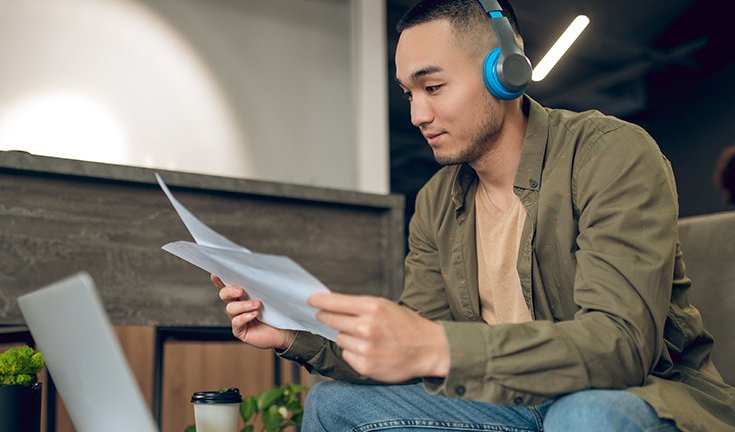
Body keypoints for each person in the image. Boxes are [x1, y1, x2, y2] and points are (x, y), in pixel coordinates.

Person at [213, 0, 735, 430]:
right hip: (510, 402)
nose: (418, 115)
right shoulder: (437, 200)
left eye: (433, 87)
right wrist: (289, 335)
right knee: (332, 405)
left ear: (505, 72)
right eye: (409, 94)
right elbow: (409, 348)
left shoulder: (611, 154)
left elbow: (619, 346)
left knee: (587, 414)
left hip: (637, 397)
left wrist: (438, 346)